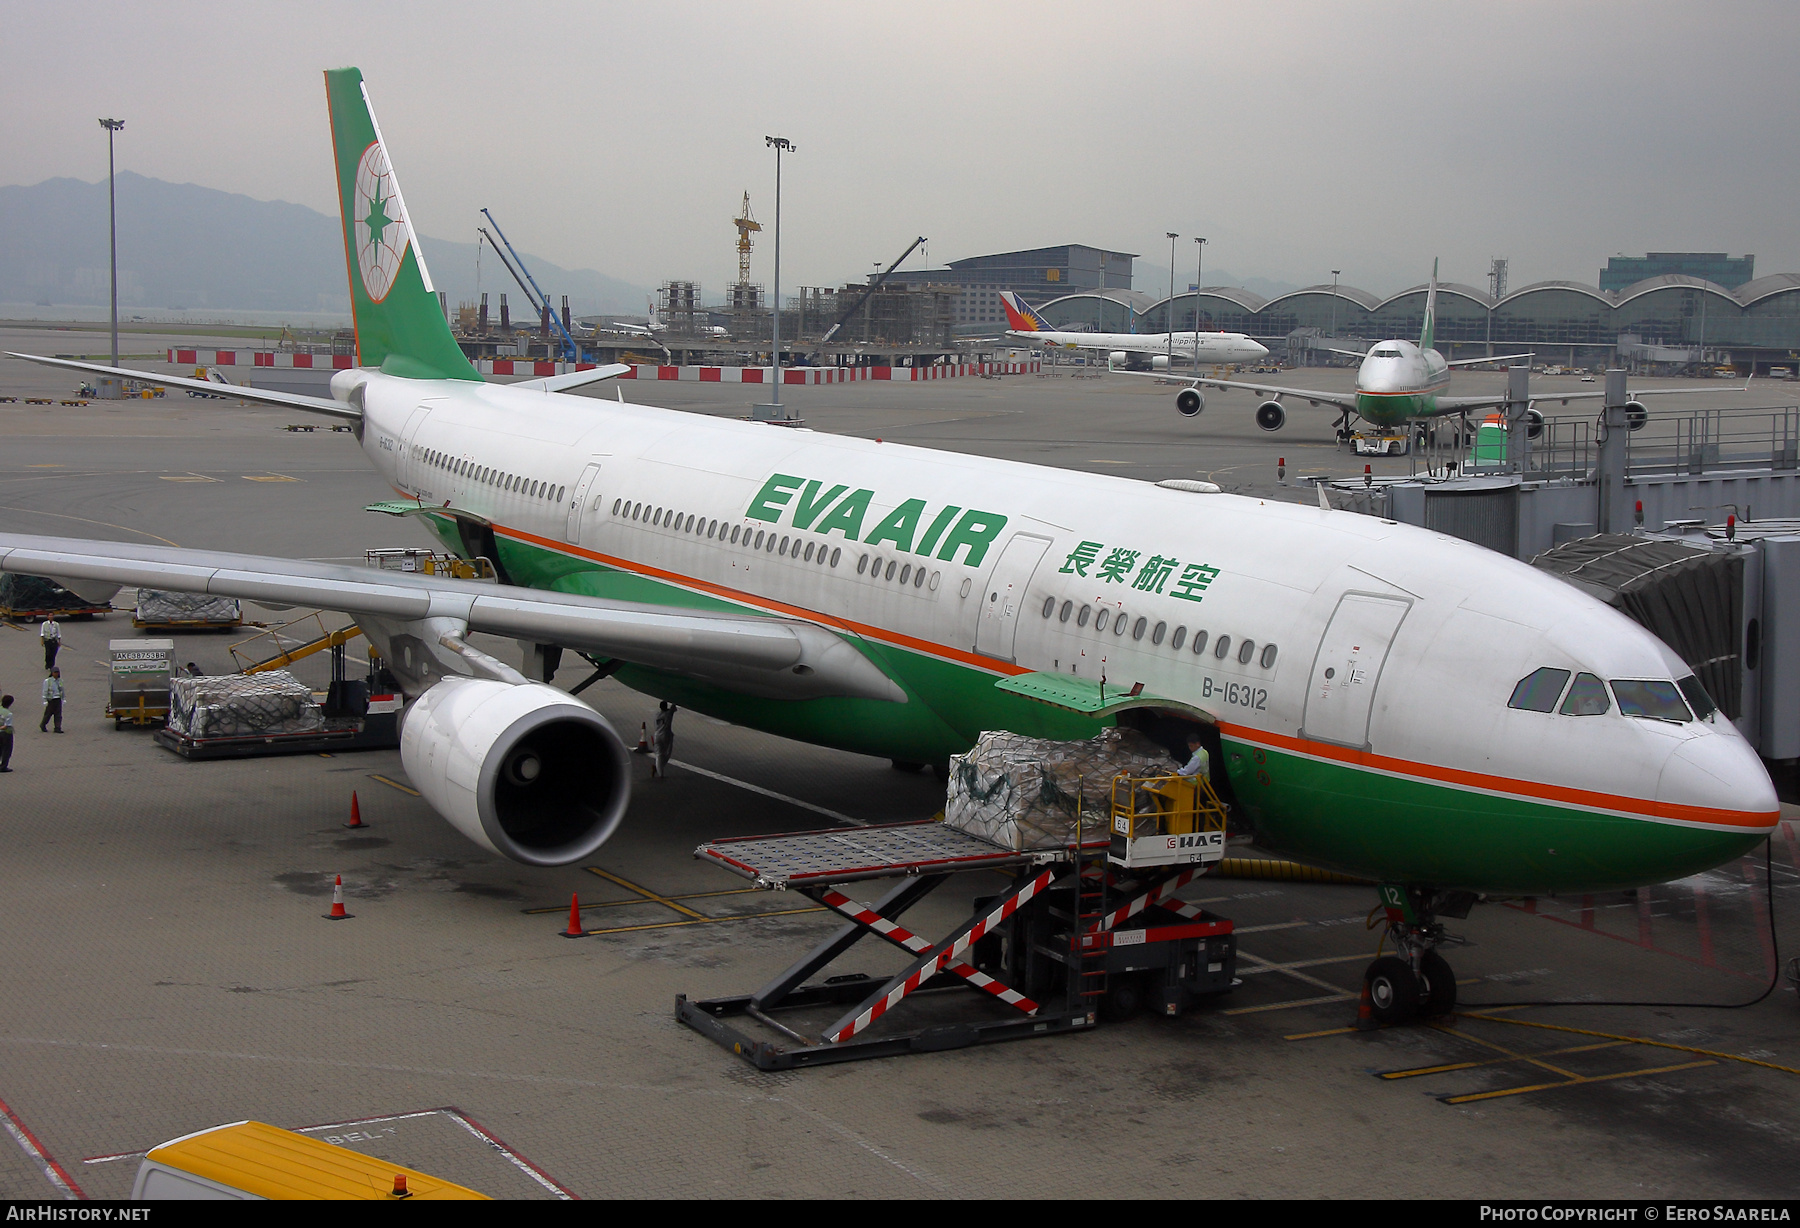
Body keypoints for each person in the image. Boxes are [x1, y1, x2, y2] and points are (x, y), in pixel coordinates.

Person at [651, 700, 676, 780]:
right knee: (667, 753)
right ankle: (659, 771)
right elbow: (673, 706)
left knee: (659, 754)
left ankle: (659, 770)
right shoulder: (668, 714)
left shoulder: (656, 715)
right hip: (666, 735)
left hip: (657, 735)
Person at [40, 668, 63, 733]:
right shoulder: (48, 681)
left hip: (58, 699)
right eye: (55, 672)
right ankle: (43, 724)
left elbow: (62, 690)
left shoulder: (60, 681)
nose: (56, 674)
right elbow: (45, 691)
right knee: (48, 714)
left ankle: (57, 727)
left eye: (57, 672)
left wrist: (63, 698)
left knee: (58, 714)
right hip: (51, 699)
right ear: (52, 673)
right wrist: (45, 700)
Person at [0, 694, 13, 771]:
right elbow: (7, 726)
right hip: (5, 733)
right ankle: (3, 766)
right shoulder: (8, 714)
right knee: (7, 750)